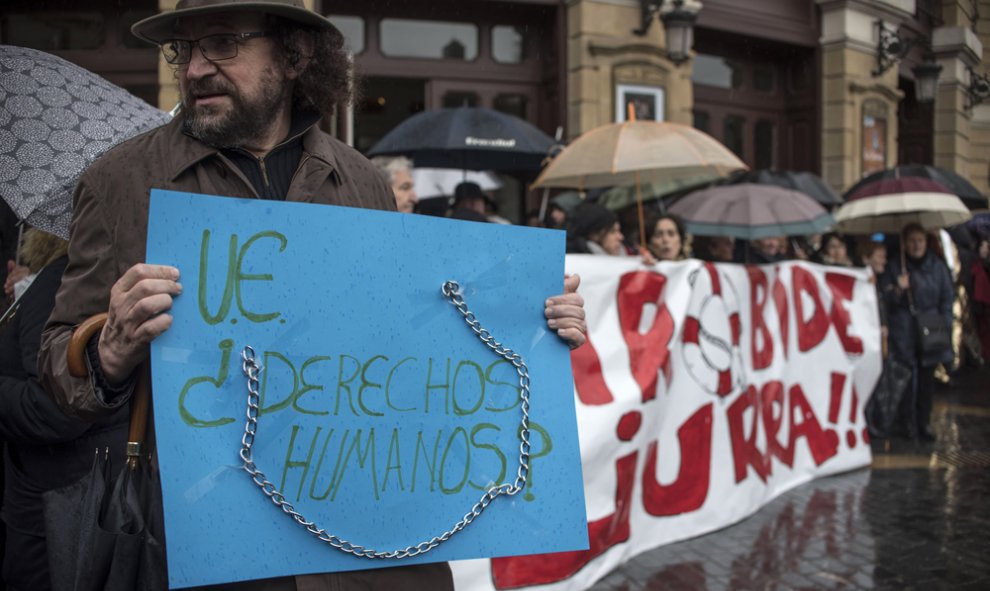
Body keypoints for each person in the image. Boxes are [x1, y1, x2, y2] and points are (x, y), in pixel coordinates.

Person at [37, 1, 587, 589]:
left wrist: (529, 325)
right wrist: (109, 351)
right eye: (183, 49)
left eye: (222, 44)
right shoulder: (122, 180)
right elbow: (56, 358)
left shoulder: (362, 181)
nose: (194, 69)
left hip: (363, 540)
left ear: (294, 56)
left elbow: (412, 345)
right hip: (212, 547)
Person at [0, 228, 128, 591]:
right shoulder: (99, 275)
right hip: (80, 496)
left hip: (54, 507)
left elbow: (55, 409)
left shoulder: (63, 281)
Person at [880, 223, 954, 442]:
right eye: (911, 241)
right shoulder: (896, 266)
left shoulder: (937, 266)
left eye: (919, 240)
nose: (916, 245)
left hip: (931, 327)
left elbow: (946, 298)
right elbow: (886, 300)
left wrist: (945, 325)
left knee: (926, 381)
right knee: (906, 381)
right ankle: (907, 423)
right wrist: (899, 289)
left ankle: (924, 422)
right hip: (905, 329)